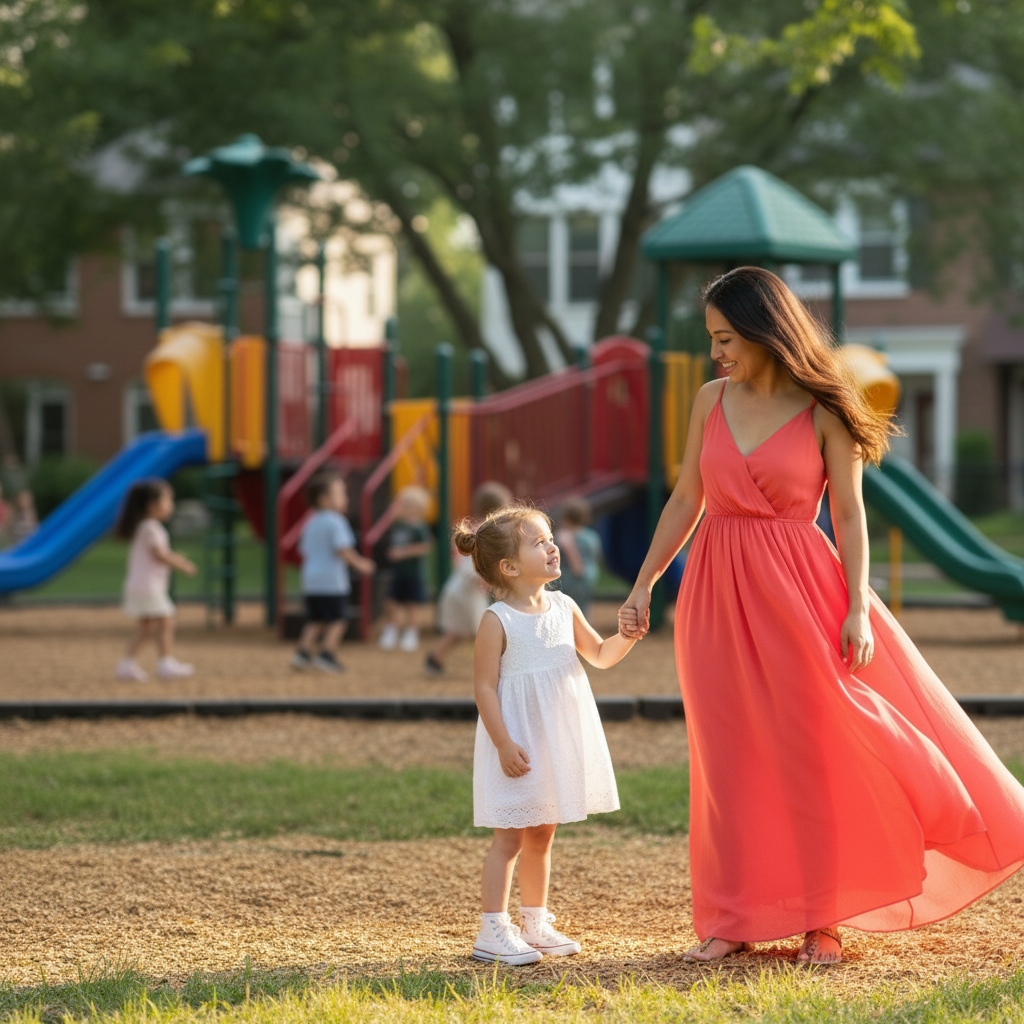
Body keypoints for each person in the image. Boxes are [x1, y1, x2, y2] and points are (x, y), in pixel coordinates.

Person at [618, 267, 1024, 966]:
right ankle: (732, 919)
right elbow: (686, 498)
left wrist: (858, 607)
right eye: (712, 337)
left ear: (764, 331)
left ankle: (823, 919)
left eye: (726, 338)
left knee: (813, 756)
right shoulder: (710, 399)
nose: (715, 352)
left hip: (802, 594)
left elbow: (850, 516)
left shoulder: (824, 408)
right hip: (715, 595)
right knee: (727, 763)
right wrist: (642, 585)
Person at [457, 502, 636, 965]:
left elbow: (599, 655)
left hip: (553, 740)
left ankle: (534, 922)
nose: (553, 547)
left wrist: (627, 636)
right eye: (539, 542)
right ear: (510, 567)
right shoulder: (497, 619)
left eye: (551, 538)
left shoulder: (565, 605)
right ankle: (492, 930)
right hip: (517, 743)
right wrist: (502, 744)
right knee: (509, 838)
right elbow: (484, 687)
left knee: (542, 833)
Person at [424, 480, 512, 675]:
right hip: (469, 591)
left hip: (457, 587)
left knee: (458, 631)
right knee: (487, 630)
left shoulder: (472, 529)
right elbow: (473, 568)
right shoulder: (488, 533)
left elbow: (461, 562)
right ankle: (499, 668)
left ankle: (435, 659)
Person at [114, 478, 197, 682]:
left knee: (147, 627)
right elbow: (159, 554)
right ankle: (165, 663)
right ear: (153, 505)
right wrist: (182, 564)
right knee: (167, 620)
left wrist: (175, 558)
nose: (171, 505)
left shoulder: (144, 526)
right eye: (168, 501)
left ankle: (127, 663)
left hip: (141, 585)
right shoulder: (151, 527)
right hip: (149, 586)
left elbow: (157, 553)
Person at [292, 472, 375, 673]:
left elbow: (303, 549)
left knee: (316, 619)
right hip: (331, 580)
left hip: (311, 579)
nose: (345, 499)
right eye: (340, 494)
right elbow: (343, 549)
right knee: (338, 619)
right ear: (324, 500)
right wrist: (360, 564)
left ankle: (302, 654)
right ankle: (326, 654)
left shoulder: (310, 521)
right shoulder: (336, 521)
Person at [378, 485, 433, 653]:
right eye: (404, 505)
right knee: (390, 602)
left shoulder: (420, 527)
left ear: (419, 509)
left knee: (411, 605)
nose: (405, 509)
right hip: (399, 573)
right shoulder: (399, 526)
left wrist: (401, 553)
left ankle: (411, 633)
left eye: (409, 505)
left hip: (413, 573)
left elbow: (424, 547)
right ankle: (392, 628)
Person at [553, 496, 602, 617]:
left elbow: (577, 567)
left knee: (566, 612)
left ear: (565, 517)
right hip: (589, 578)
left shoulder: (564, 536)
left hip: (572, 581)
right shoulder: (591, 535)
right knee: (582, 611)